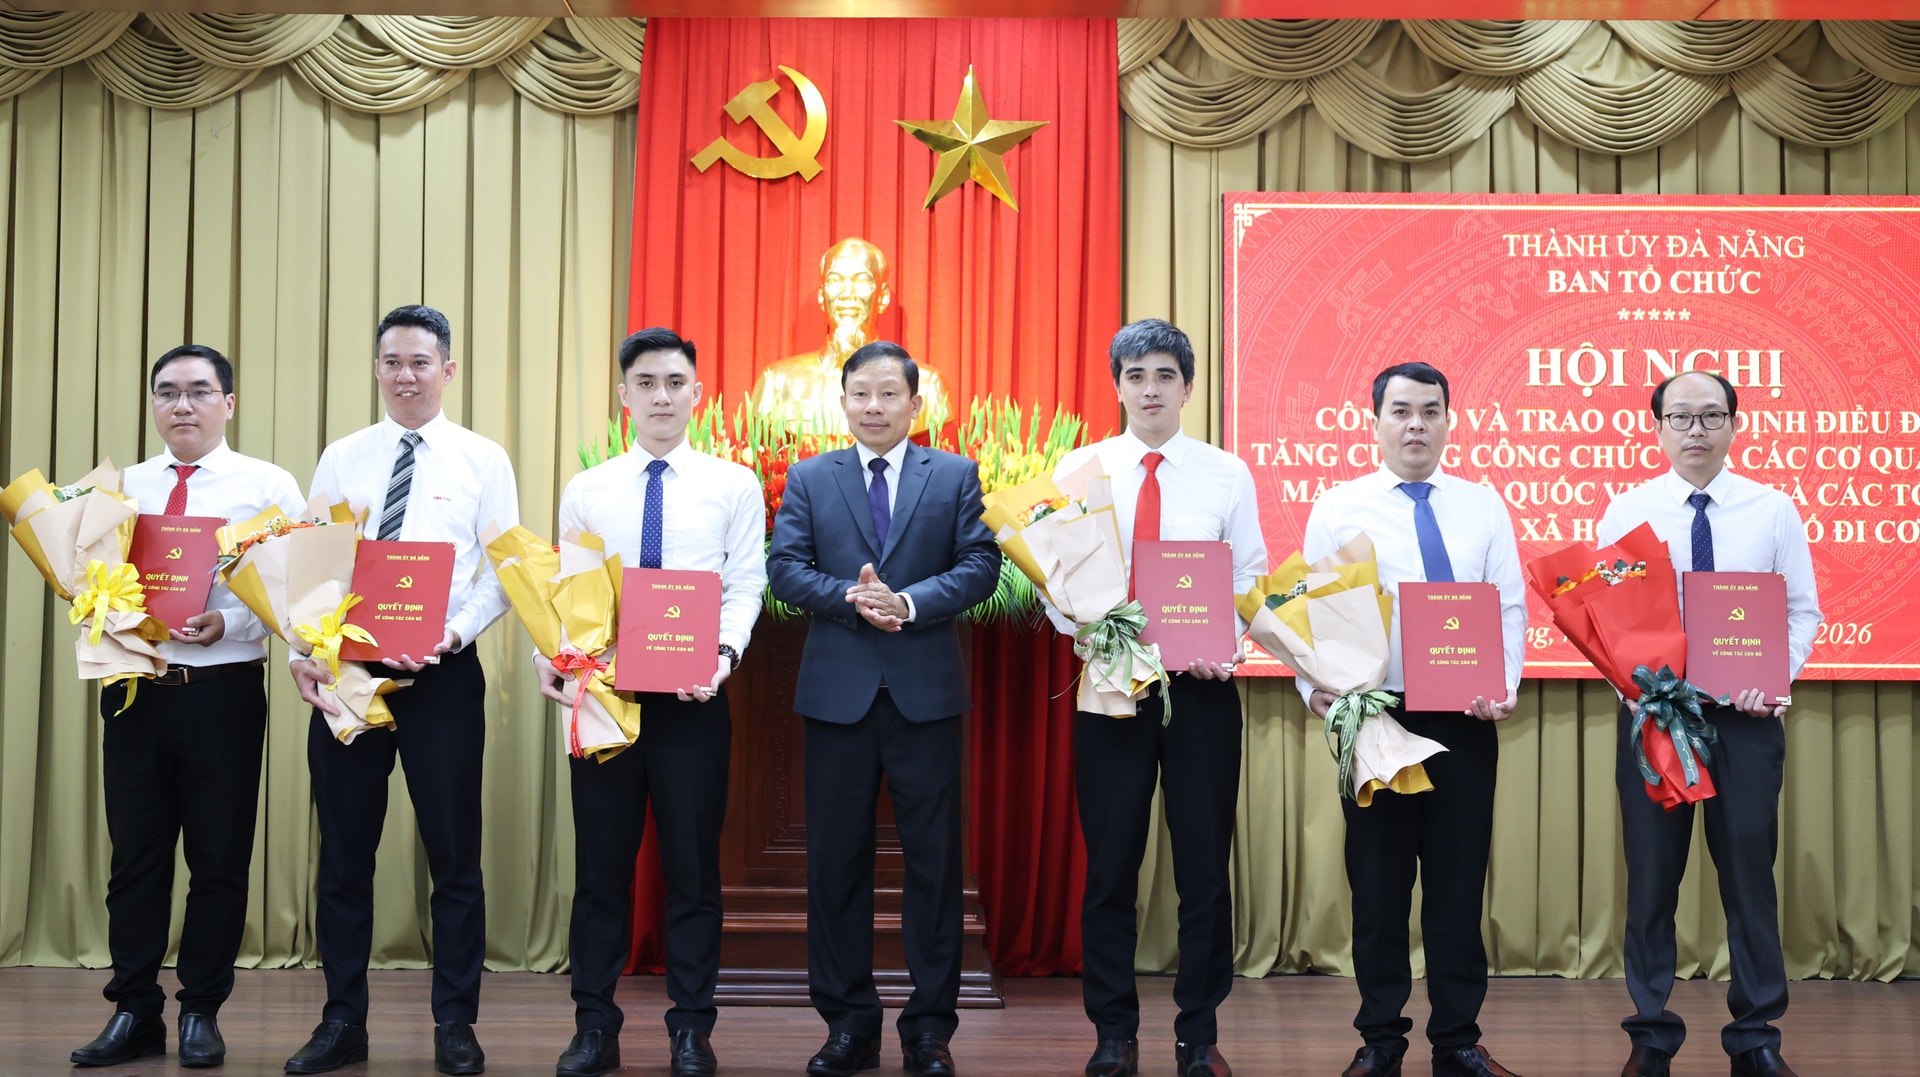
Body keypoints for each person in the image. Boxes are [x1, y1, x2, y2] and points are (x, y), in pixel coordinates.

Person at [285, 305, 519, 1076]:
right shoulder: (343, 456)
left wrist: (452, 632)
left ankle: (455, 1021)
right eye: (392, 361)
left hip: (441, 678)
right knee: (344, 854)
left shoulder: (483, 459)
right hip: (348, 674)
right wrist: (303, 649)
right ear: (377, 369)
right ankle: (341, 1020)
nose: (405, 375)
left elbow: (502, 573)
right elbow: (313, 564)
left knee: (454, 855)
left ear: (448, 369)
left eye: (420, 361)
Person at [533, 328, 767, 1077]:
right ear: (624, 396)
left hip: (692, 702)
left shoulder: (734, 484)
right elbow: (566, 590)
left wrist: (724, 657)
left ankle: (691, 1028)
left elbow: (745, 584)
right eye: (645, 383)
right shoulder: (589, 488)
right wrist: (552, 656)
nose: (661, 396)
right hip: (604, 698)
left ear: (697, 393)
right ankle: (593, 1026)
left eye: (674, 382)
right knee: (601, 872)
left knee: (692, 873)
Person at [766, 341, 1000, 1077]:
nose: (874, 406)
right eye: (860, 394)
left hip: (925, 697)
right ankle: (848, 1025)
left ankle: (929, 1030)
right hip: (838, 697)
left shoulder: (954, 475)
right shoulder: (810, 477)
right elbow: (784, 568)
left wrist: (908, 602)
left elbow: (981, 565)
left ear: (914, 404)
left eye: (888, 393)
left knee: (934, 865)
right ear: (842, 402)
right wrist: (851, 597)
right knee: (836, 865)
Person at [68, 345, 305, 1070]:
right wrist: (105, 609)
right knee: (134, 860)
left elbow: (297, 590)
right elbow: (89, 580)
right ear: (153, 404)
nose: (183, 405)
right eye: (167, 391)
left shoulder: (268, 486)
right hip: (135, 691)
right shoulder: (119, 490)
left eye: (200, 391)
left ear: (228, 403)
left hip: (222, 693)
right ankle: (133, 1009)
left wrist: (228, 621)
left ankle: (201, 1008)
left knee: (219, 859)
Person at [1046, 319, 1266, 1077]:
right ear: (1117, 385)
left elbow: (1248, 578)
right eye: (1135, 375)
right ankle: (1113, 1030)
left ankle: (1198, 1031)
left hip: (1200, 692)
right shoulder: (1079, 469)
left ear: (1188, 387)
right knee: (1111, 865)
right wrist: (1084, 624)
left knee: (1203, 868)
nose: (1150, 390)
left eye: (1165, 375)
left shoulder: (1225, 473)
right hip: (1112, 684)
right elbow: (1053, 579)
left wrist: (1226, 644)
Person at [1300, 362, 1527, 1077]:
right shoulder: (1339, 506)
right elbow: (1312, 608)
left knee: (1457, 888)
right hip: (1377, 717)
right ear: (1375, 422)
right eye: (1401, 411)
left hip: (1464, 716)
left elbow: (1508, 605)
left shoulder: (1483, 505)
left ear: (1449, 420)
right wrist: (1316, 687)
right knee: (1379, 886)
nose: (1416, 425)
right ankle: (1380, 1040)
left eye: (1430, 411)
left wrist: (1503, 684)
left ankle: (1457, 1039)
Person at [1596, 371, 1821, 1077]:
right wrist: (1633, 686)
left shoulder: (1772, 509)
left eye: (1711, 416)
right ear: (1658, 427)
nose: (1696, 430)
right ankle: (1650, 1036)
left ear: (1733, 424)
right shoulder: (1627, 511)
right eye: (1681, 417)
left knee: (1750, 878)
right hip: (1656, 720)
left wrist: (1774, 678)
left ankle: (1755, 1037)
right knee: (1652, 880)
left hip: (1744, 723)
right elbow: (1606, 620)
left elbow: (1802, 611)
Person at [747, 237, 952, 436]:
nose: (847, 294)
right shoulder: (777, 383)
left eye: (861, 280)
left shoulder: (926, 387)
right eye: (835, 280)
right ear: (822, 296)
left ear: (883, 298)